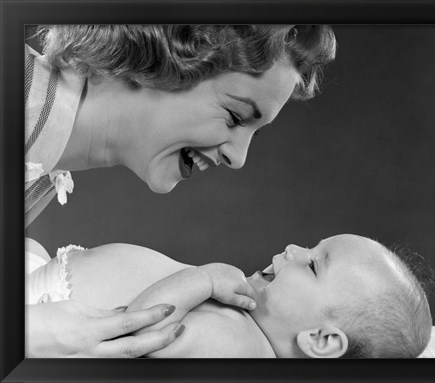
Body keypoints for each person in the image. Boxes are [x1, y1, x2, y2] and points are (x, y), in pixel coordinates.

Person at [24, 25, 337, 357]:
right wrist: (35, 334)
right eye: (235, 117)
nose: (238, 158)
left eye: (254, 134)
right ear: (161, 60)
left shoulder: (44, 161)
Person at [27, 234, 433, 358]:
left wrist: (199, 282)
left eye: (312, 265)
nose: (293, 249)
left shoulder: (241, 351)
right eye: (311, 245)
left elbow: (134, 339)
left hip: (45, 315)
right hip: (46, 283)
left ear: (322, 340)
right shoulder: (244, 328)